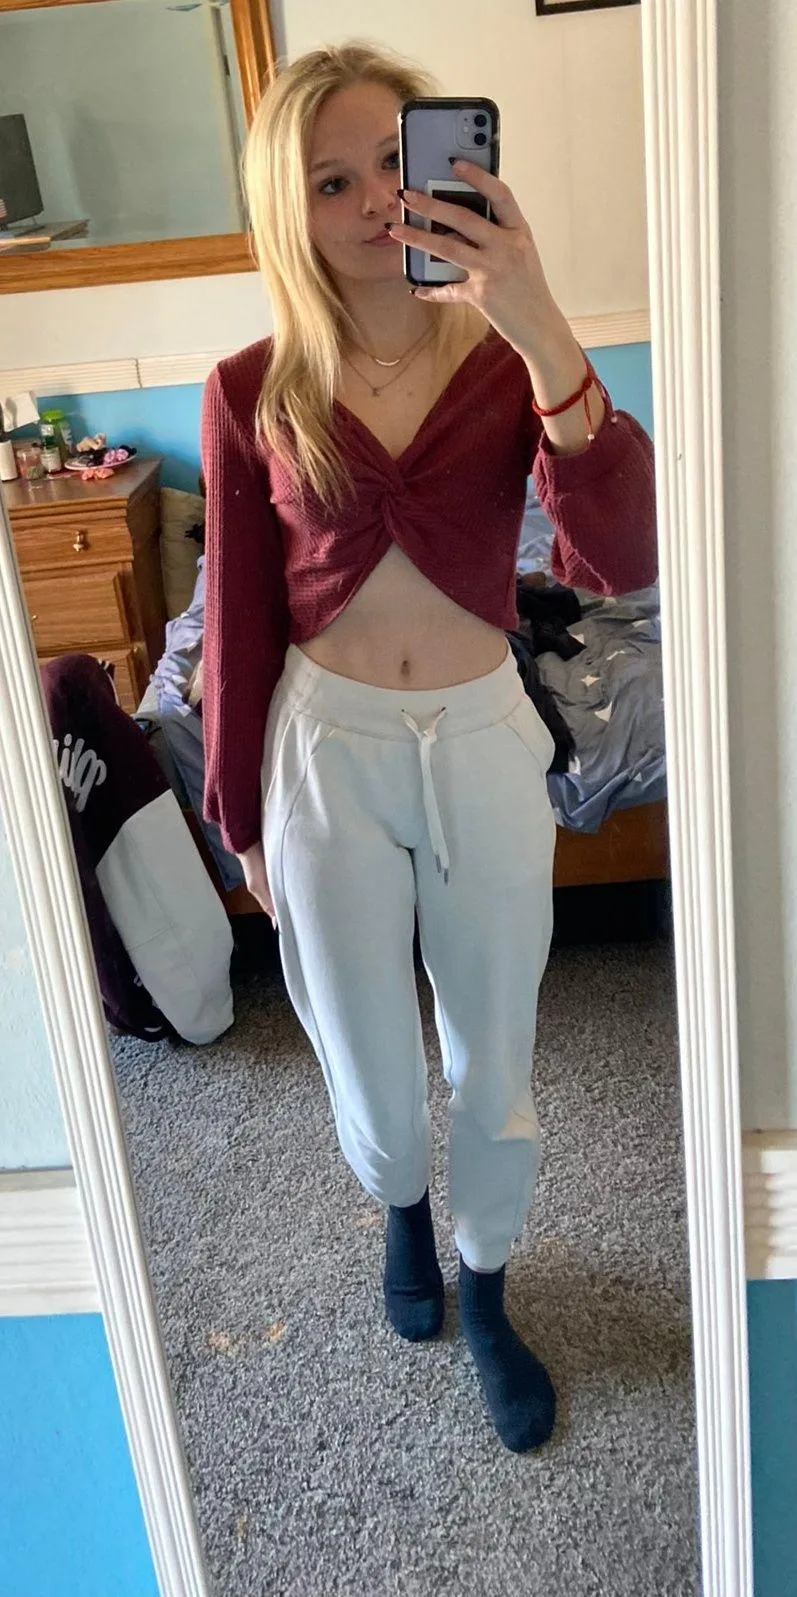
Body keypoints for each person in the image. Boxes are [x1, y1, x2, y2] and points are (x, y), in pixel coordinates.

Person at [201, 41, 656, 1454]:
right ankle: (400, 1206)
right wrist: (241, 816)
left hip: (480, 738)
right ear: (288, 207)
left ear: (447, 164)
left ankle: (489, 1278)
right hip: (323, 749)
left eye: (394, 165)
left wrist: (537, 314)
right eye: (330, 180)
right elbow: (238, 611)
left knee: (496, 1046)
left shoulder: (507, 363)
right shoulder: (251, 383)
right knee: (361, 1047)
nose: (370, 203)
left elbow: (623, 554)